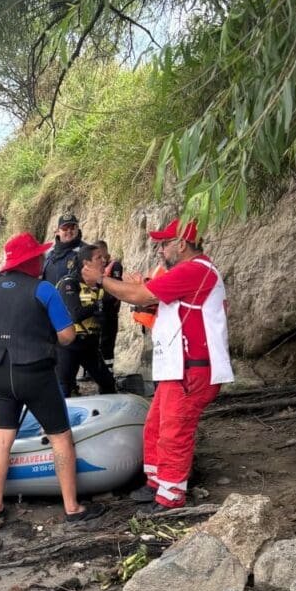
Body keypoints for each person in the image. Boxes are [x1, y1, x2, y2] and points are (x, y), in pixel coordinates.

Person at [0, 232, 104, 523]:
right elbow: (67, 335)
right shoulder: (44, 290)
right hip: (36, 373)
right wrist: (44, 335)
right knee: (60, 438)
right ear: (29, 261)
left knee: (2, 439)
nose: (42, 259)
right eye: (39, 255)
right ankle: (72, 508)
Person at [96, 218, 234, 511]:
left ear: (181, 244)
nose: (159, 250)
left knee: (174, 432)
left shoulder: (193, 270)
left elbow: (139, 295)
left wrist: (100, 280)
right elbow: (151, 297)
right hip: (180, 367)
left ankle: (170, 496)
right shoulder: (194, 271)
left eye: (164, 244)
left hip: (190, 368)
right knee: (157, 426)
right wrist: (142, 291)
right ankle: (156, 481)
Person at [55, 243, 117, 396]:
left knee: (108, 383)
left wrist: (102, 308)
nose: (104, 260)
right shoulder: (69, 283)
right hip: (69, 344)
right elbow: (75, 314)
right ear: (86, 263)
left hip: (90, 344)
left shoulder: (100, 284)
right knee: (64, 386)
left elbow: (109, 314)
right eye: (98, 258)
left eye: (103, 257)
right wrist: (99, 305)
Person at [96, 239, 124, 374]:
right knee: (98, 341)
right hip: (97, 311)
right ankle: (95, 370)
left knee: (107, 341)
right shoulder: (96, 267)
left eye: (100, 254)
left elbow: (116, 288)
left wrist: (102, 300)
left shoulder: (115, 266)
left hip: (110, 311)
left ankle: (108, 371)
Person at [43, 212, 83, 286]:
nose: (69, 231)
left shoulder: (85, 251)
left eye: (72, 227)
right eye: (65, 228)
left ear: (77, 229)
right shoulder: (49, 253)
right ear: (58, 232)